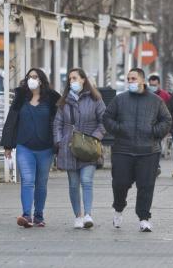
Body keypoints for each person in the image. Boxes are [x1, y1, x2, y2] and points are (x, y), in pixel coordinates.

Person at [103, 68, 171, 233]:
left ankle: (144, 218)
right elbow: (107, 117)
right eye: (128, 79)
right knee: (120, 183)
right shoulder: (120, 99)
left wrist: (154, 131)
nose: (130, 81)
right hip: (123, 150)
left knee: (146, 186)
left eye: (133, 78)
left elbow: (166, 120)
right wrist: (119, 129)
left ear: (142, 80)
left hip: (148, 151)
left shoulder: (155, 101)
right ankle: (118, 208)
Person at [1, 68, 61, 228]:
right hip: (24, 146)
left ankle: (39, 216)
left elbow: (59, 122)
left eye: (35, 77)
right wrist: (8, 145)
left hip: (45, 148)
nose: (31, 79)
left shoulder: (52, 98)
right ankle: (26, 215)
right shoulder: (21, 97)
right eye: (29, 77)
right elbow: (11, 120)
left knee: (41, 183)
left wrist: (59, 145)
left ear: (41, 80)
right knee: (27, 181)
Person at [54, 68, 106, 229]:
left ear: (84, 79)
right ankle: (78, 215)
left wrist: (96, 136)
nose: (72, 82)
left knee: (86, 180)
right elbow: (57, 123)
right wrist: (59, 141)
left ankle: (88, 214)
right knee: (73, 184)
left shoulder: (96, 99)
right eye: (70, 79)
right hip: (69, 146)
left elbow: (104, 121)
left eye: (75, 78)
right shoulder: (64, 102)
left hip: (89, 146)